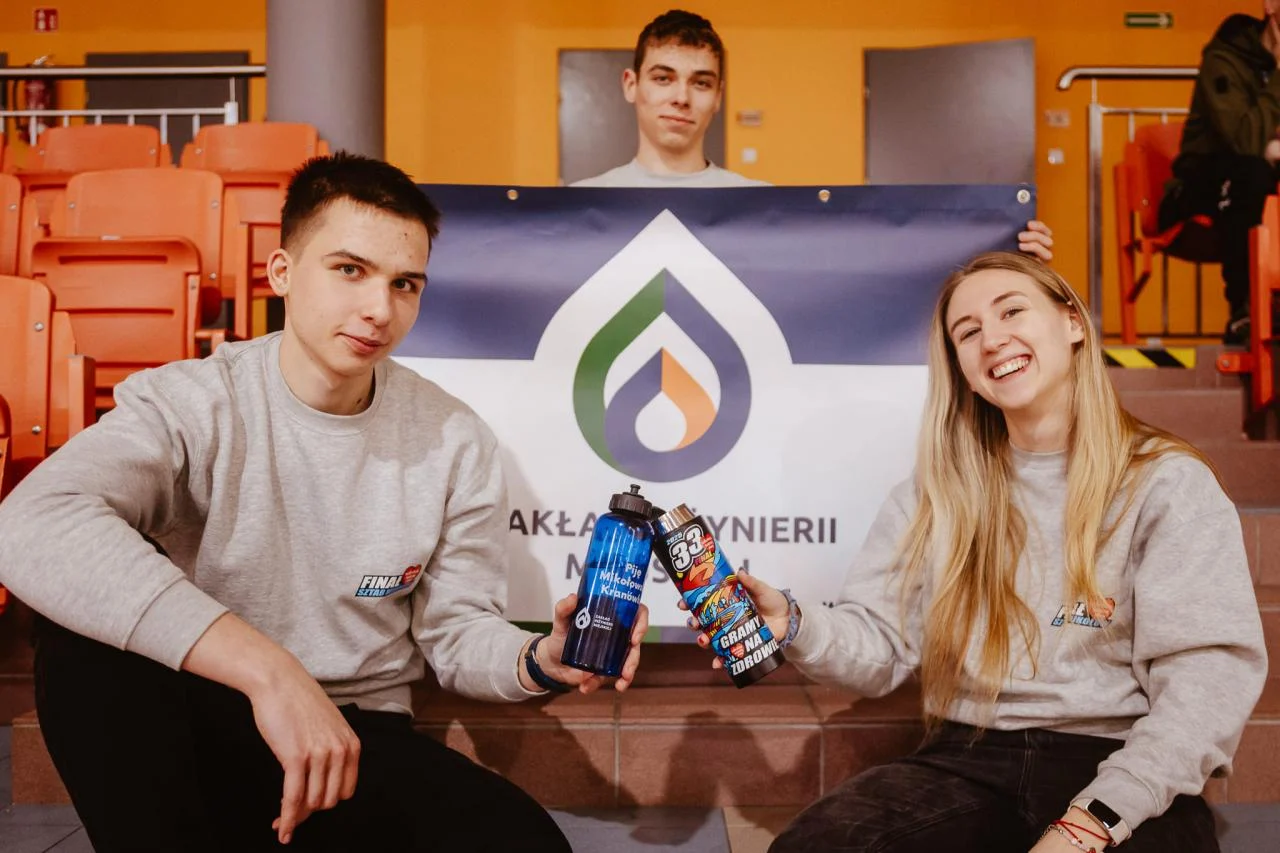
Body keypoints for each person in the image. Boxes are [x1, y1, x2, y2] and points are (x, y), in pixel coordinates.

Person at [0, 153, 647, 853]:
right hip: (203, 721)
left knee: (523, 843)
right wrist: (270, 672)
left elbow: (457, 633)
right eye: (349, 270)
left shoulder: (453, 438)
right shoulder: (192, 401)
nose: (380, 309)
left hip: (355, 737)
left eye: (404, 284)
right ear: (282, 272)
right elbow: (30, 523)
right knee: (80, 639)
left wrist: (543, 656)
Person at [686, 251, 1267, 852]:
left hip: (1118, 758)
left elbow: (1207, 680)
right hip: (968, 755)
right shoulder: (933, 494)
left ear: (1072, 322)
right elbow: (880, 646)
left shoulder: (1167, 483)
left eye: (1012, 311)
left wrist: (1090, 823)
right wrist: (792, 623)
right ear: (963, 370)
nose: (992, 340)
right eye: (968, 333)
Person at [573, 9, 1057, 260]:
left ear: (718, 96)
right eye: (663, 78)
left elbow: (872, 264)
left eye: (700, 83)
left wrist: (997, 244)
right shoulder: (575, 209)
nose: (681, 97)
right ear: (631, 85)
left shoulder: (762, 207)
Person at [1162, 2, 1280, 344]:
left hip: (1256, 174)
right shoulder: (1225, 58)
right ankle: (1245, 310)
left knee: (1257, 173)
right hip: (1201, 182)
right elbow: (1244, 140)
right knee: (1251, 174)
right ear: (1271, 6)